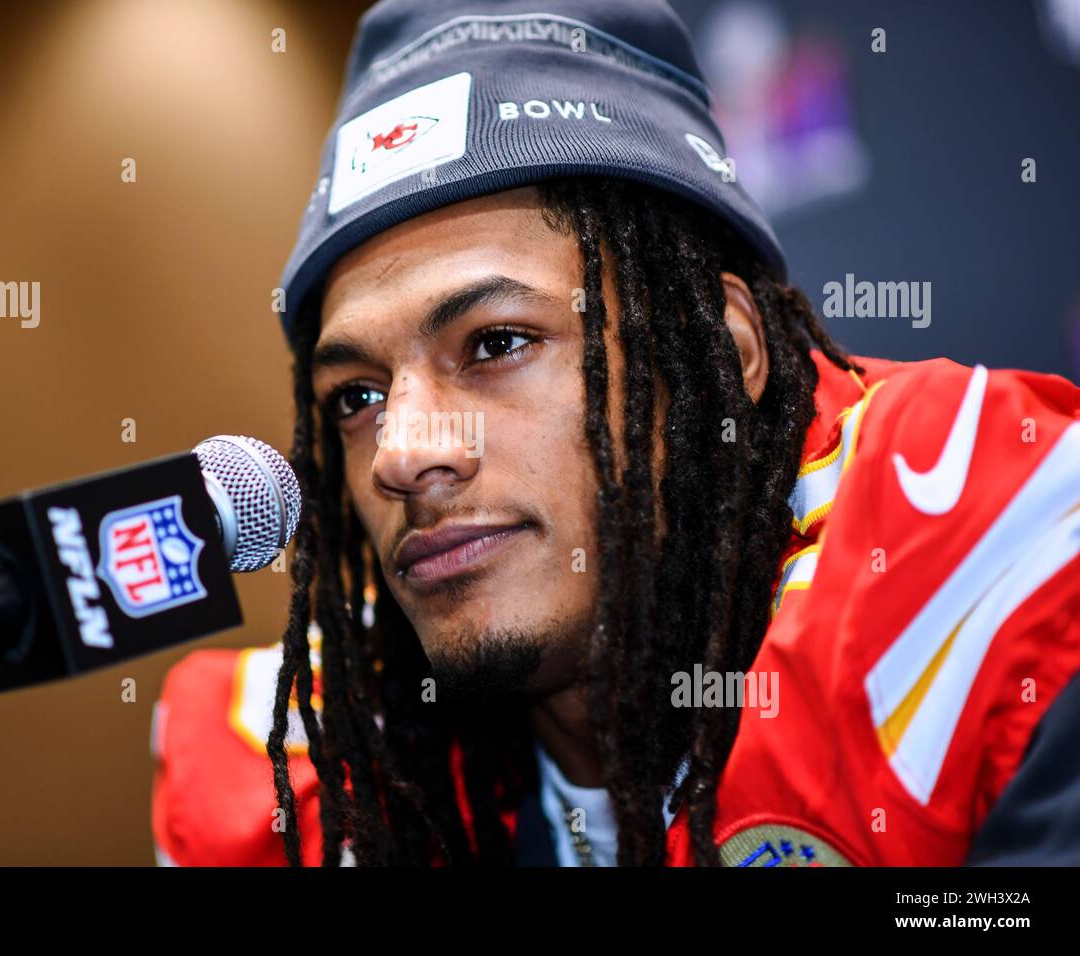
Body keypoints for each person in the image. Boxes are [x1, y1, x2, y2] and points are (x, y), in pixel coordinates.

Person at [151, 0, 1080, 867]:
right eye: (355, 395)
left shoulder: (977, 560)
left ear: (722, 349)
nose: (401, 450)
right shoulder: (302, 769)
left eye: (496, 343)